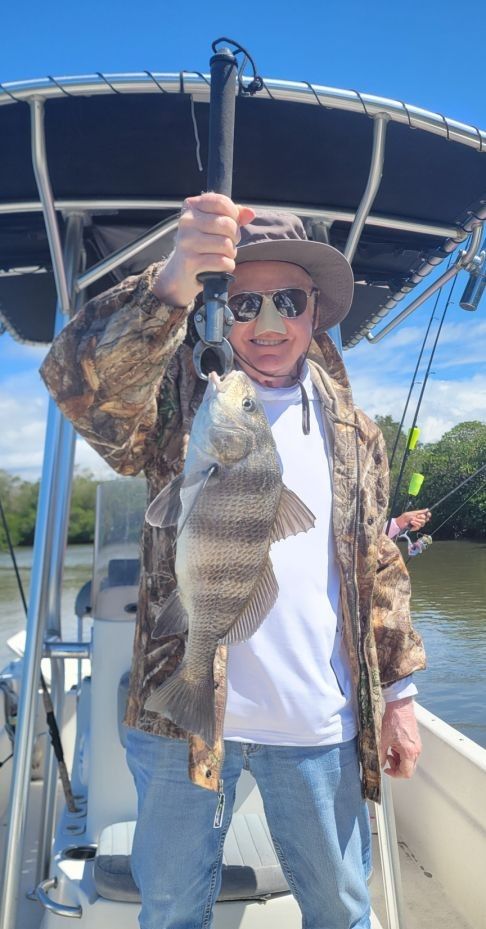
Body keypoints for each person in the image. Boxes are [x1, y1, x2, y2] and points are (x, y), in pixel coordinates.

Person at [40, 194, 426, 929]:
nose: (268, 322)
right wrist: (172, 282)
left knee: (342, 909)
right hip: (182, 725)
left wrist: (400, 697)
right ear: (217, 308)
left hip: (319, 726)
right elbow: (77, 382)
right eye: (244, 303)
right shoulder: (179, 405)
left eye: (289, 300)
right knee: (171, 911)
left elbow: (379, 565)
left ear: (316, 310)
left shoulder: (358, 433)